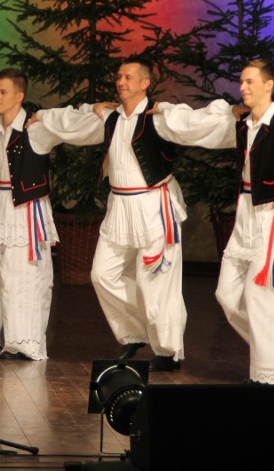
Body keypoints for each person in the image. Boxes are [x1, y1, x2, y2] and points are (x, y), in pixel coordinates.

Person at [33, 56, 231, 371]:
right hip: (120, 208)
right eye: (119, 77)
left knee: (156, 282)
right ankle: (135, 333)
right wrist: (43, 117)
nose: (121, 81)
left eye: (128, 77)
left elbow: (198, 125)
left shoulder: (159, 117)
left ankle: (168, 352)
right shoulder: (110, 117)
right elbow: (74, 124)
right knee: (102, 274)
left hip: (154, 208)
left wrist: (234, 116)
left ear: (144, 83)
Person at [153, 58, 274, 384]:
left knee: (263, 299)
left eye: (250, 82)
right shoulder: (244, 126)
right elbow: (198, 128)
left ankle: (270, 377)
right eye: (241, 81)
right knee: (227, 295)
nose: (243, 87)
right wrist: (164, 112)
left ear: (269, 85)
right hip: (246, 215)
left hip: (273, 218)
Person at [0, 68, 60, 361]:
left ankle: (22, 343)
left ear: (19, 96)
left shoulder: (35, 127)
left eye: (3, 92)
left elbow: (68, 128)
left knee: (21, 276)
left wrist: (95, 113)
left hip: (26, 209)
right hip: (3, 206)